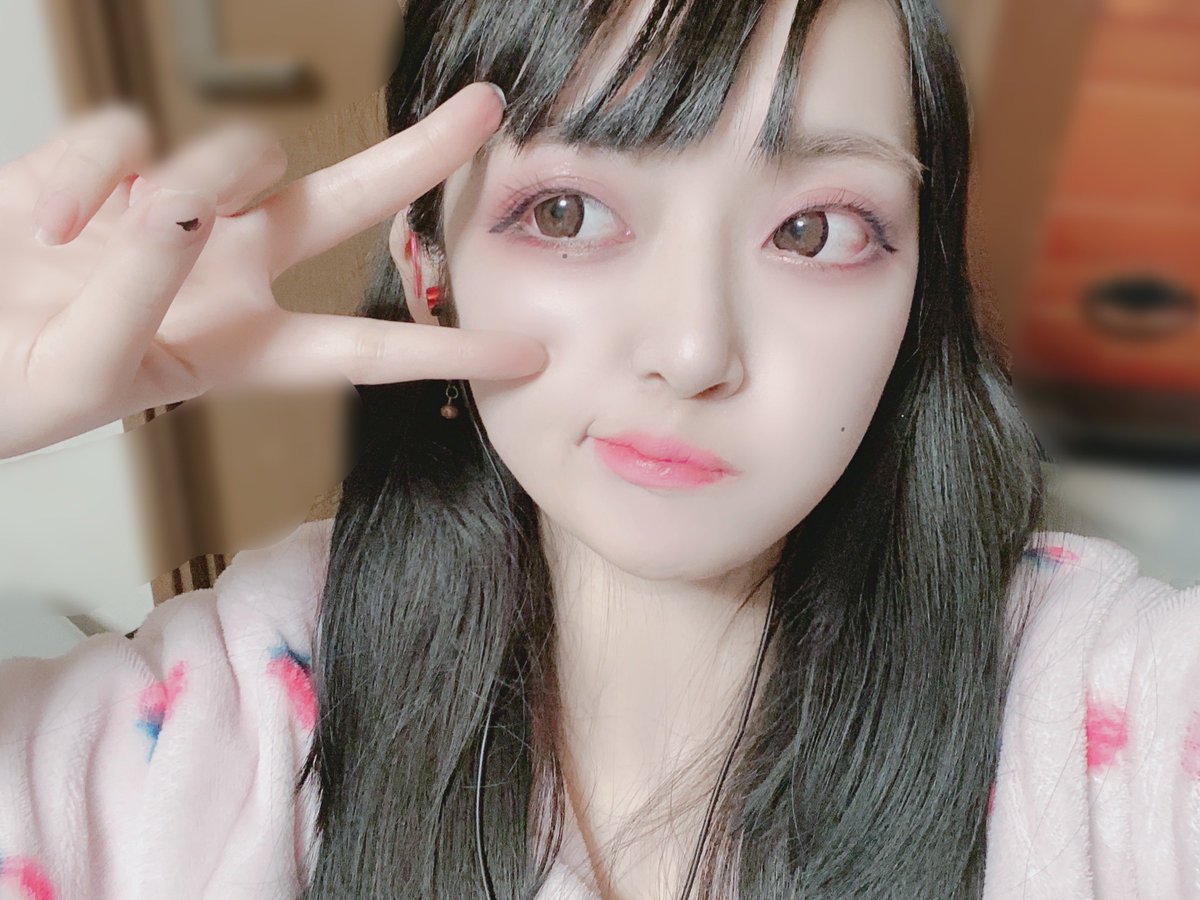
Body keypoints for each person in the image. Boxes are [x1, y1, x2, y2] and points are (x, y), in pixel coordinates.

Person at [0, 0, 1196, 897]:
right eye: (567, 214)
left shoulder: (1104, 709)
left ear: (916, 290)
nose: (691, 348)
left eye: (816, 230)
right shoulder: (226, 730)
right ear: (428, 271)